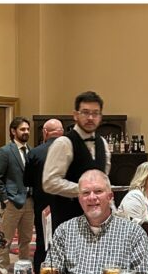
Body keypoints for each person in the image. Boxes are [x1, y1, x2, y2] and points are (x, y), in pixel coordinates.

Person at [44, 169, 148, 274]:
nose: (92, 197)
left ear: (110, 197)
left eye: (98, 191)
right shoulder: (64, 231)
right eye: (86, 193)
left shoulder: (134, 233)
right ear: (79, 198)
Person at [42, 90, 111, 232]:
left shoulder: (102, 143)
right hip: (68, 218)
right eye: (85, 112)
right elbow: (49, 182)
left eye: (95, 113)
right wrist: (83, 191)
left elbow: (104, 179)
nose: (90, 117)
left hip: (98, 220)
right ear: (75, 115)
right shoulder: (63, 143)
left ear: (100, 116)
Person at [0, 115, 34, 274]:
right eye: (22, 129)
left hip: (29, 202)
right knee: (5, 241)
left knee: (26, 240)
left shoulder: (30, 151)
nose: (26, 132)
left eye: (27, 129)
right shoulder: (5, 151)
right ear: (13, 131)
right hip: (12, 202)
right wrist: (4, 198)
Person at [25, 118, 65, 274]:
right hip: (68, 206)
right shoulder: (73, 152)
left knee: (43, 244)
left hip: (43, 206)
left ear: (45, 133)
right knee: (68, 242)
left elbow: (27, 181)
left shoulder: (35, 153)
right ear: (62, 132)